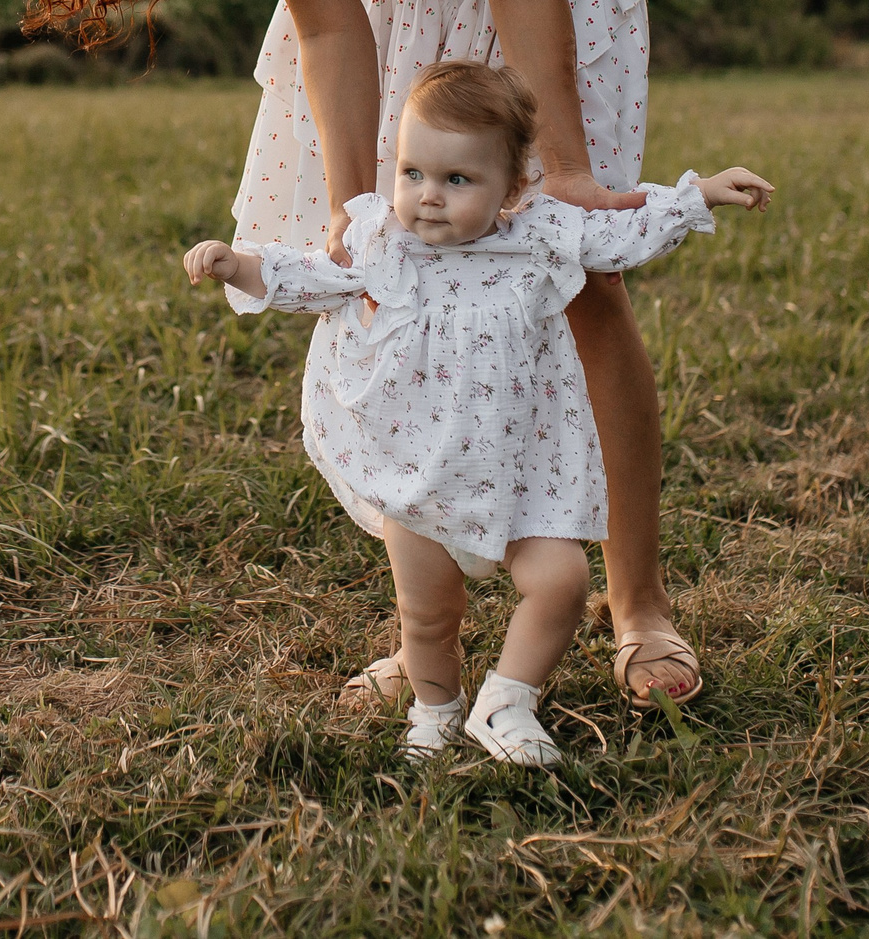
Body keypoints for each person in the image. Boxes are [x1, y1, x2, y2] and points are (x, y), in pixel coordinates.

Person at [33, 0, 712, 708]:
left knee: (572, 274)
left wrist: (568, 167)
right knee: (395, 298)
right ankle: (430, 628)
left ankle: (637, 604)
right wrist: (361, 225)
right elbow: (327, 25)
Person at [183, 64, 771, 763]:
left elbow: (625, 235)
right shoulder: (383, 243)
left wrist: (697, 195)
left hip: (522, 478)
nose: (428, 197)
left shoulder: (541, 237)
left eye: (457, 180)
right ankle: (435, 712)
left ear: (512, 187)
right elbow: (312, 276)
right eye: (412, 173)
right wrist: (237, 263)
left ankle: (506, 699)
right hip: (422, 474)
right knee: (428, 615)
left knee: (562, 582)